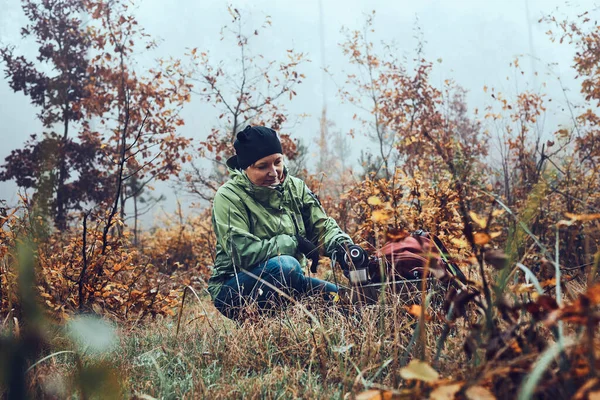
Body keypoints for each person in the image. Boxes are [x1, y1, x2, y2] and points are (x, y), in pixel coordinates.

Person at [207, 125, 365, 320]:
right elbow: (242, 253)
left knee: (348, 302)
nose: (273, 172)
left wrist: (343, 247)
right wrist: (293, 242)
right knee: (286, 265)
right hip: (234, 288)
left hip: (290, 280)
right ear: (245, 167)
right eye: (262, 166)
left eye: (277, 162)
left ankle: (297, 322)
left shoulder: (295, 187)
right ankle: (266, 328)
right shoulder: (229, 197)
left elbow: (321, 227)